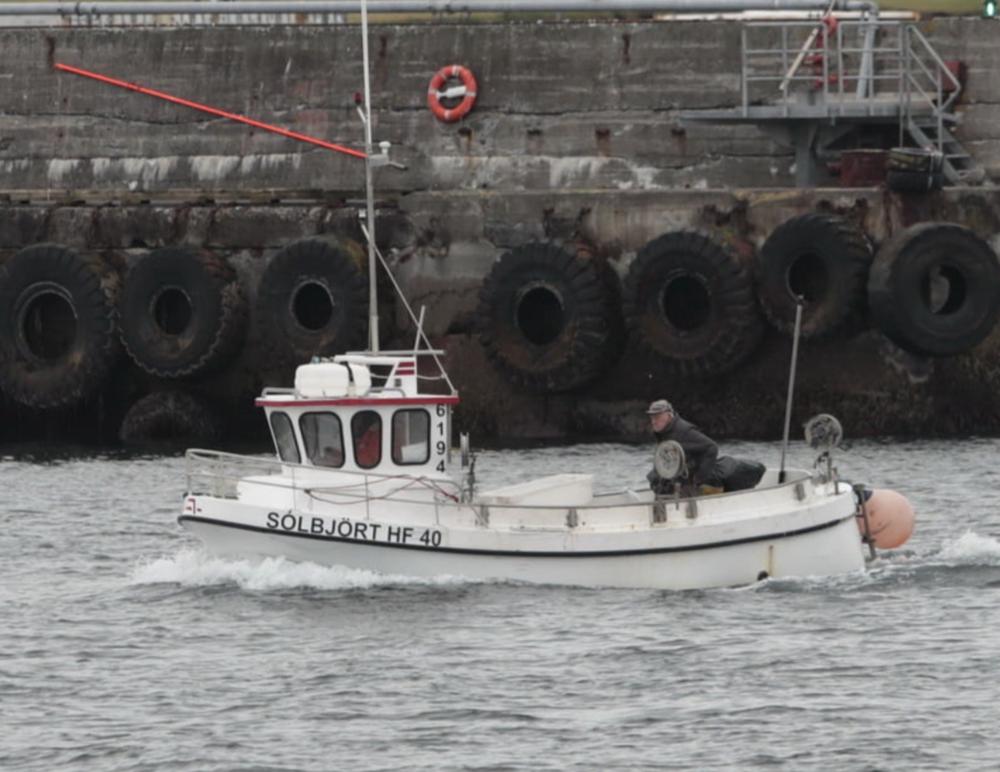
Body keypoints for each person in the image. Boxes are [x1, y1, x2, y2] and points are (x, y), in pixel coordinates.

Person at [646, 399, 764, 495]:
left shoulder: (684, 431)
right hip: (680, 476)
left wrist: (699, 479)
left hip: (697, 478)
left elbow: (711, 448)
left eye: (657, 417)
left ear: (669, 416)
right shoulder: (664, 433)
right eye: (652, 417)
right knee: (655, 478)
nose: (654, 421)